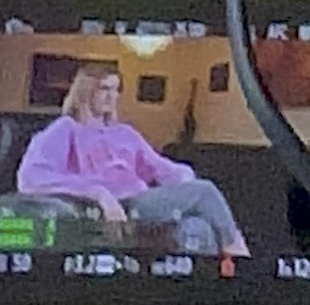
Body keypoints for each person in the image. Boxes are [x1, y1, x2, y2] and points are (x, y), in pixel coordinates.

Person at [16, 65, 248, 256]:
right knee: (205, 191)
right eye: (104, 89)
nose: (112, 96)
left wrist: (184, 177)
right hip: (118, 206)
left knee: (198, 228)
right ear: (85, 92)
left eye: (116, 89)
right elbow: (31, 177)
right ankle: (238, 251)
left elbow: (159, 167)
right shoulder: (66, 129)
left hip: (143, 199)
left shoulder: (124, 133)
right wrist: (98, 193)